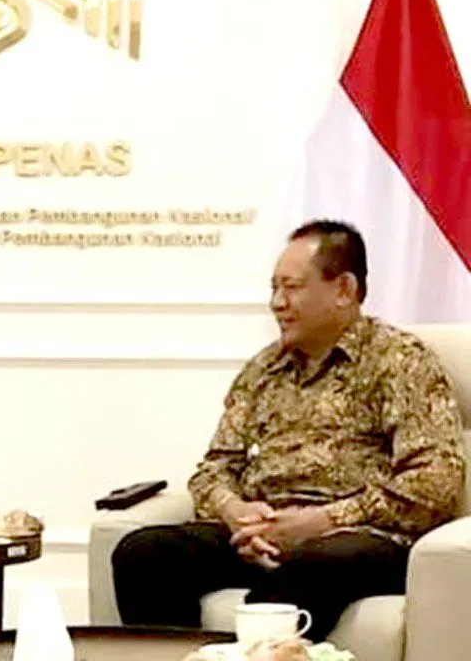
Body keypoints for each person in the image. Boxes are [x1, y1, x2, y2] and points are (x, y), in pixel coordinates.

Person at [111, 220, 466, 641]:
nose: (277, 303)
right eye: (273, 289)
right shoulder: (264, 368)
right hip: (258, 534)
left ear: (344, 289)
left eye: (292, 288)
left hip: (354, 540)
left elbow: (435, 481)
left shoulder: (400, 362)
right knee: (143, 554)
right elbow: (213, 470)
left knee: (307, 570)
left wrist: (320, 521)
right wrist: (237, 512)